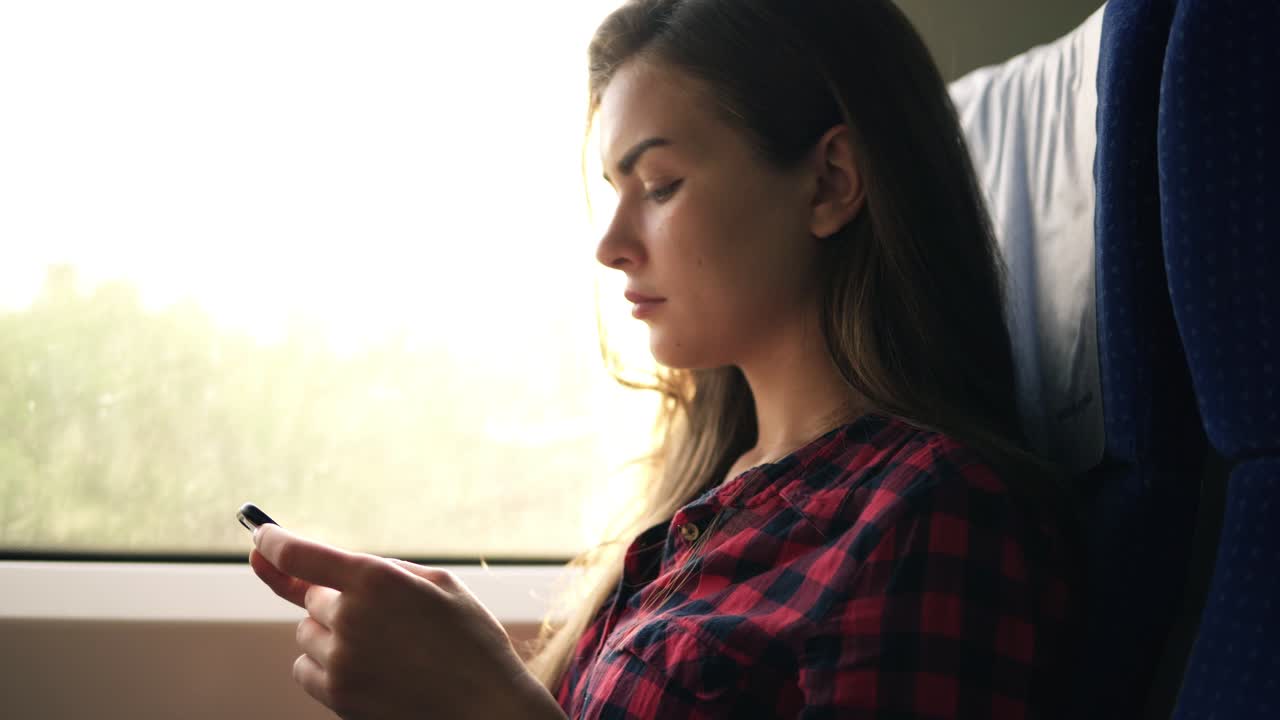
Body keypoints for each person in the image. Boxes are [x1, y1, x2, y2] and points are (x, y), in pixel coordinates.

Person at [249, 0, 1084, 717]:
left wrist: (482, 704)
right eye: (614, 190)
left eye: (659, 186)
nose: (611, 246)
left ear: (830, 183)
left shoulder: (929, 518)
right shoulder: (705, 501)